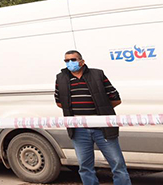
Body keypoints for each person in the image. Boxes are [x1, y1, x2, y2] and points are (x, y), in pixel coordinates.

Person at [55, 50, 130, 185]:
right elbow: (59, 102)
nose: (69, 63)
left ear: (82, 62)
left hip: (103, 129)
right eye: (66, 61)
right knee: (85, 167)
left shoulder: (97, 74)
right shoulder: (60, 78)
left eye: (73, 60)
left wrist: (102, 111)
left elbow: (115, 98)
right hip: (79, 131)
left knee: (117, 164)